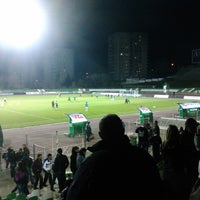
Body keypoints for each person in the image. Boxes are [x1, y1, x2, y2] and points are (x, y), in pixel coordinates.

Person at [66, 114, 164, 200]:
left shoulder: (92, 162)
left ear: (101, 135)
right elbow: (158, 189)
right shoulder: (143, 156)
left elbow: (73, 195)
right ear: (123, 130)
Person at [161, 124, 186, 200]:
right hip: (178, 173)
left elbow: (163, 158)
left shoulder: (164, 144)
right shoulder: (180, 145)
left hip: (167, 172)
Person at [180, 118, 199, 199]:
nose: (195, 129)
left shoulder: (186, 136)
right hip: (188, 167)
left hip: (193, 166)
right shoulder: (183, 137)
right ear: (188, 127)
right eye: (193, 127)